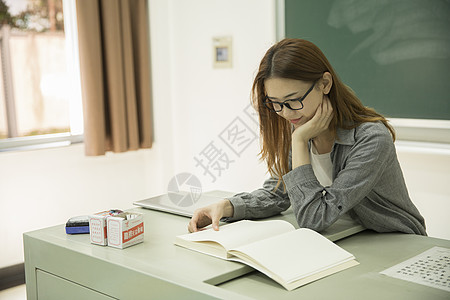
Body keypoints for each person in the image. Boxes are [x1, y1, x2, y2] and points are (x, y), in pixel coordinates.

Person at [188, 38, 426, 235]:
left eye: (294, 101)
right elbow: (279, 193)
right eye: (276, 104)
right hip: (350, 238)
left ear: (324, 83)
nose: (286, 113)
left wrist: (300, 141)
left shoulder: (371, 139)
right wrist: (227, 206)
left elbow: (314, 218)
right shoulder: (299, 125)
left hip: (396, 242)